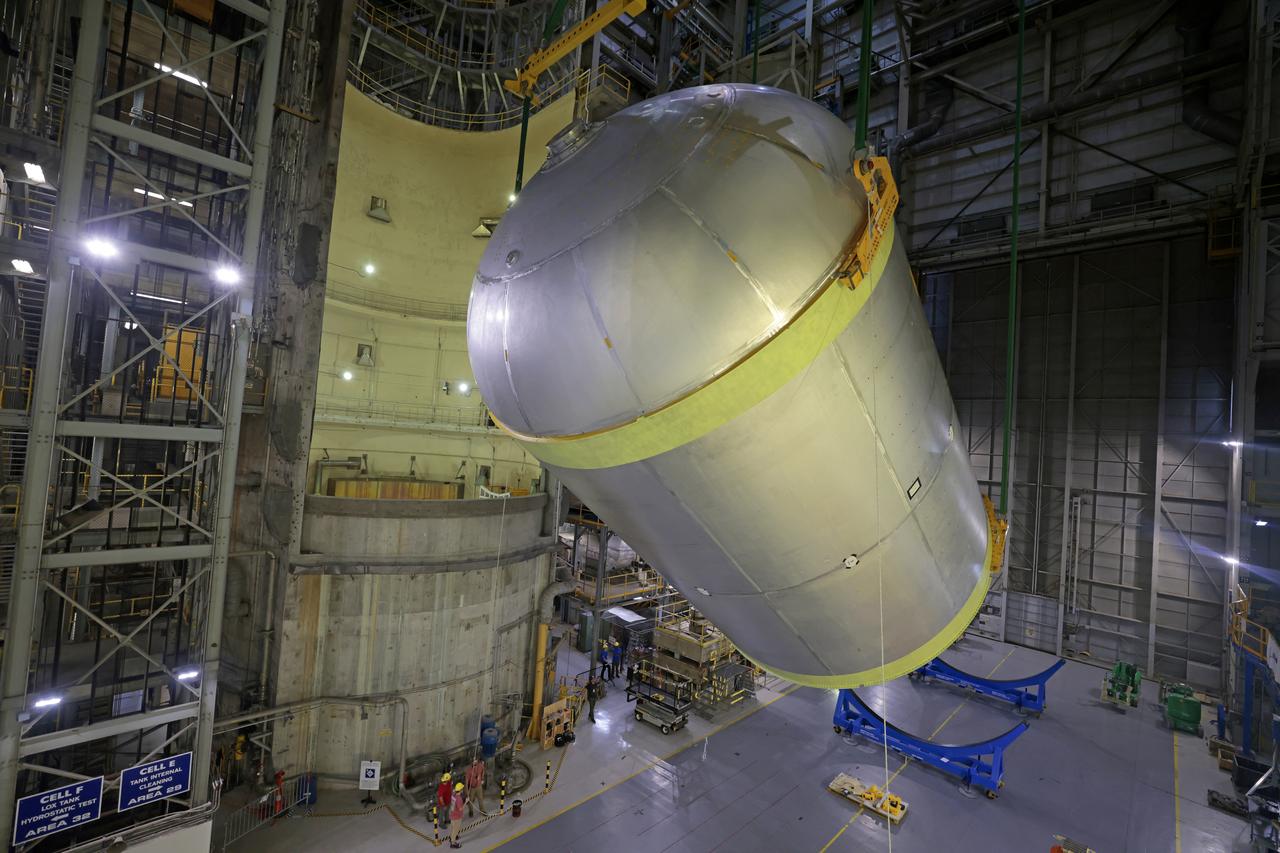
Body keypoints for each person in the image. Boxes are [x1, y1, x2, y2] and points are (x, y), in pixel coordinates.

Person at [449, 781, 466, 847]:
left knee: (453, 828)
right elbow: (460, 809)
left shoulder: (453, 795)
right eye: (462, 789)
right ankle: (453, 843)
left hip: (452, 815)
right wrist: (466, 802)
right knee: (456, 830)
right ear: (461, 790)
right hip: (457, 817)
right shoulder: (459, 799)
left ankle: (452, 838)